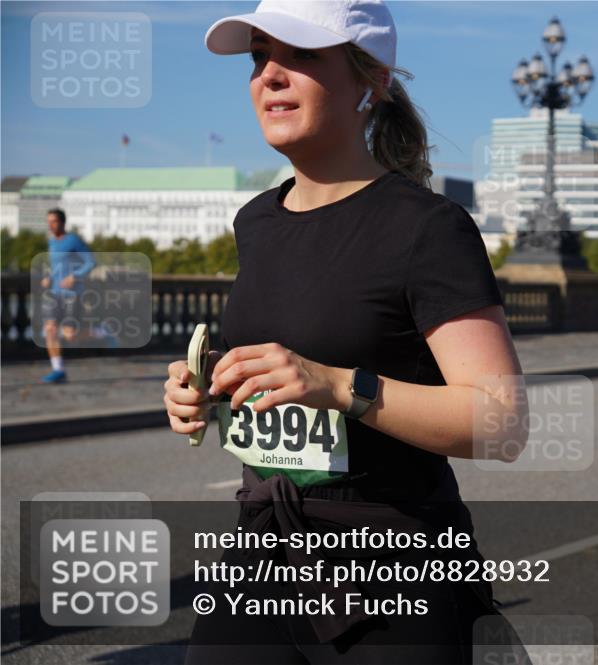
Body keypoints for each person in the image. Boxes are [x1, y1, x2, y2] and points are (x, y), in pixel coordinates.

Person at [162, 1, 529, 662]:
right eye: (260, 57)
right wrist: (205, 390)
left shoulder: (429, 228)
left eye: (302, 55)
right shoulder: (256, 222)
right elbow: (284, 367)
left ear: (371, 82)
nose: (271, 74)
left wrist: (338, 385)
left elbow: (503, 423)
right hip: (263, 554)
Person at [39, 207, 95, 383]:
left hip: (71, 293)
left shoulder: (73, 240)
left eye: (54, 221)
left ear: (62, 222)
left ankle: (100, 332)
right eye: (48, 222)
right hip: (54, 293)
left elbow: (91, 262)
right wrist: (48, 277)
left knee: (69, 335)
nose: (51, 225)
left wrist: (75, 276)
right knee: (50, 329)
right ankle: (58, 369)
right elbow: (56, 266)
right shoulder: (51, 243)